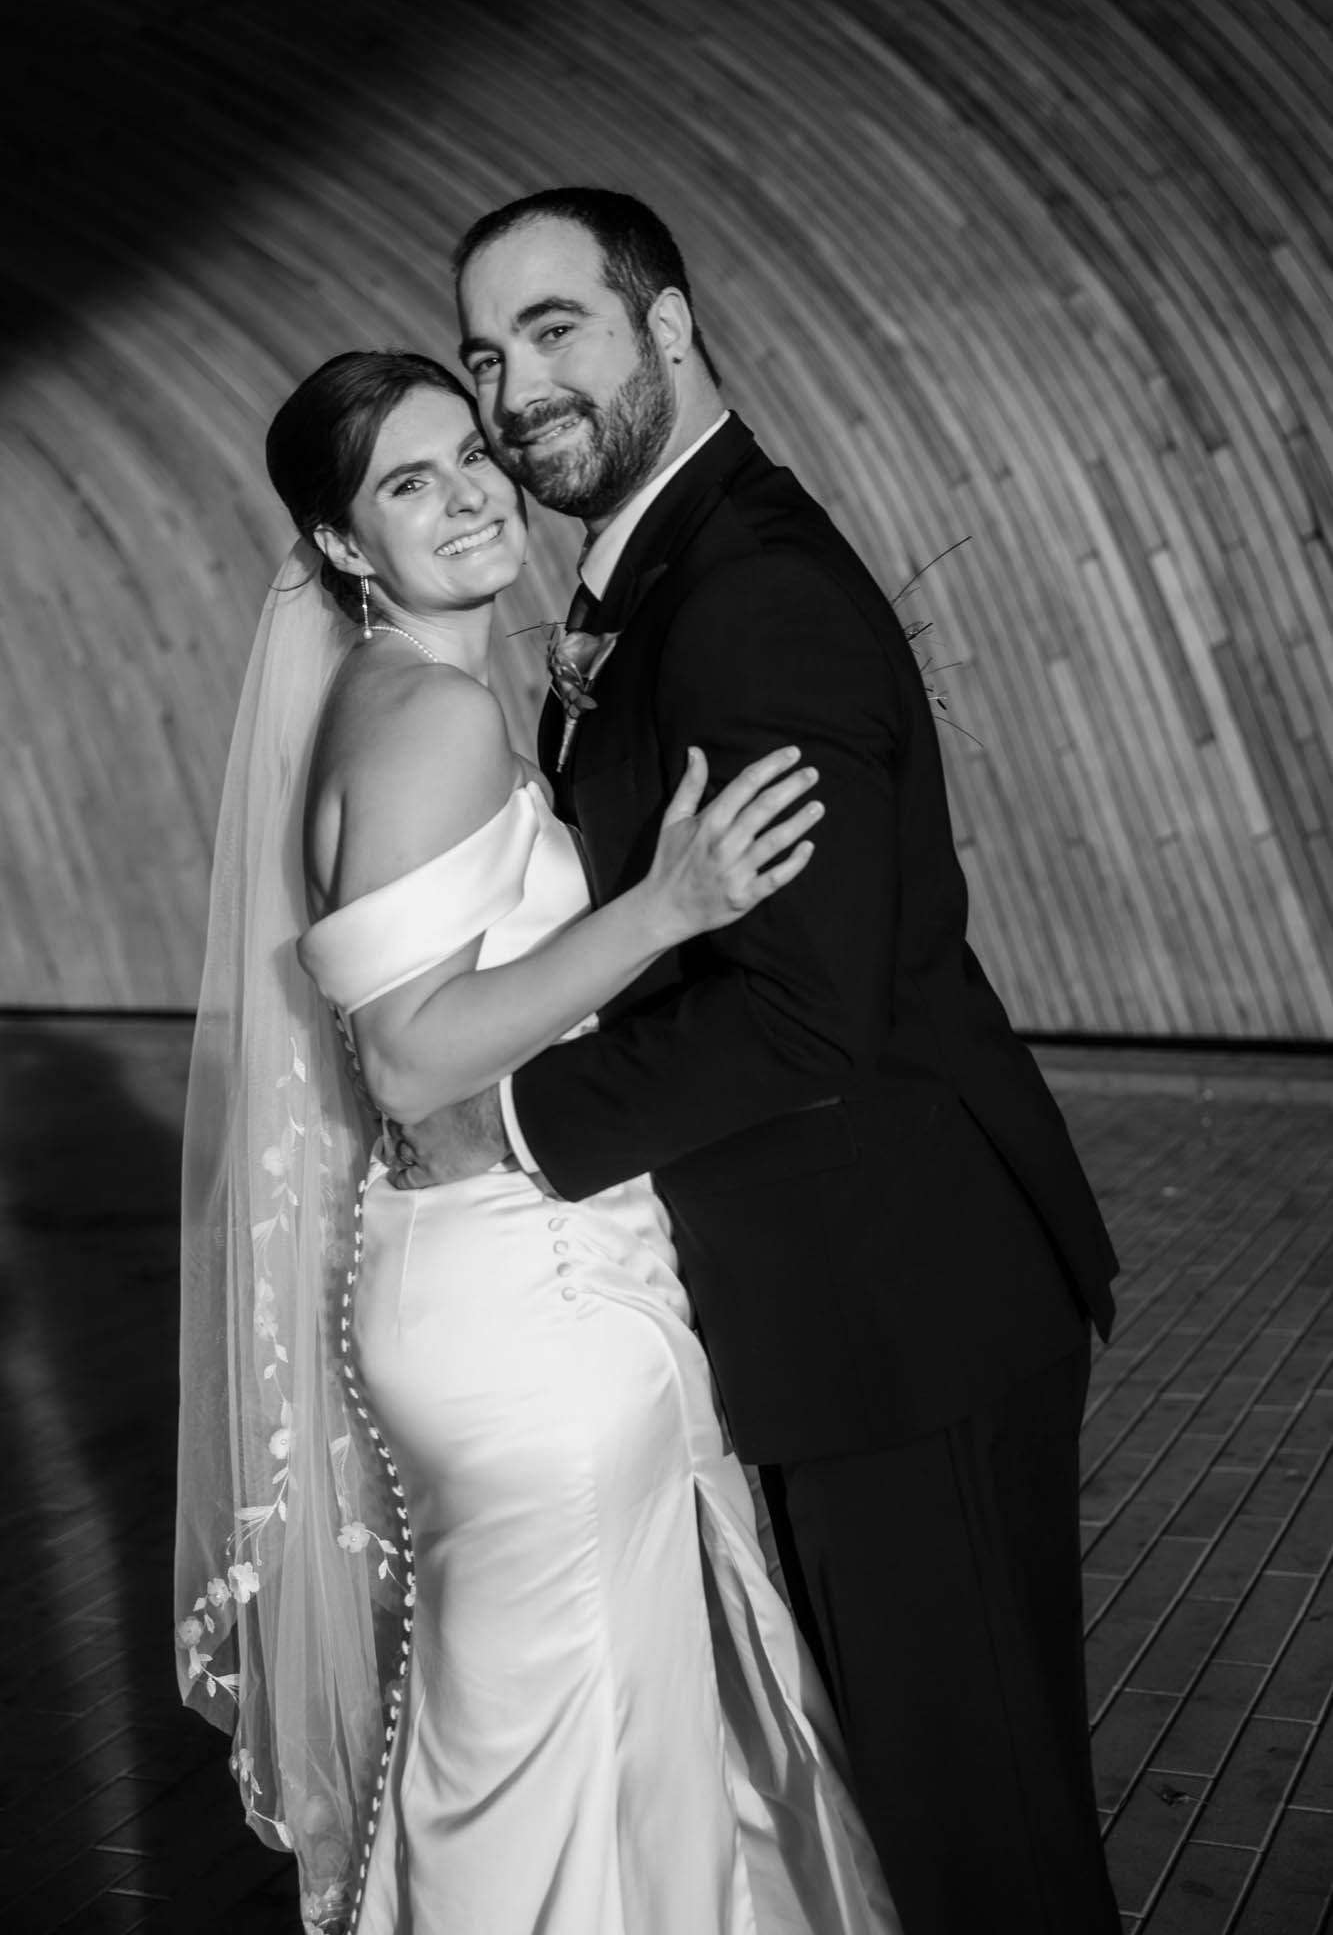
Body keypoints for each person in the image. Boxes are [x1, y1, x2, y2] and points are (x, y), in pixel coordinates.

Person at [390, 187, 1125, 1933]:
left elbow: (807, 1006)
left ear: (666, 324)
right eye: (488, 356)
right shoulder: (659, 569)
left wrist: (501, 1120)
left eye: (555, 330)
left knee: (981, 1842)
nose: (513, 391)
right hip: (826, 1302)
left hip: (900, 1310)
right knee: (923, 1809)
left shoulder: (752, 597)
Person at [175, 349, 900, 1934]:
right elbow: (413, 1051)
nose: (467, 495)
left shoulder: (412, 698)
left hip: (496, 1275)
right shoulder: (425, 718)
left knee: (601, 1755)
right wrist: (668, 905)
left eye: (470, 457)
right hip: (529, 1304)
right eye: (408, 485)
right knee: (552, 1789)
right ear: (349, 549)